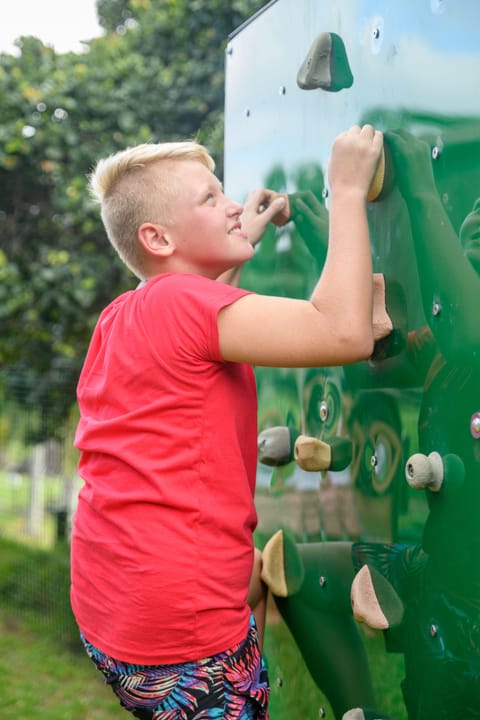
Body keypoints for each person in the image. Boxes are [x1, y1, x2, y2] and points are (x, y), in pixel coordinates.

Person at [70, 124, 384, 720]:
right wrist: (346, 189)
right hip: (181, 638)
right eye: (211, 199)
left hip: (112, 608)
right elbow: (343, 330)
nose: (233, 204)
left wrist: (237, 238)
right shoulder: (184, 307)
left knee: (254, 589)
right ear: (158, 236)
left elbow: (205, 322)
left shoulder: (126, 314)